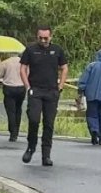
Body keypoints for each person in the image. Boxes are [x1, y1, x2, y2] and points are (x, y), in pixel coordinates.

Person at [20, 26, 68, 167]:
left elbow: (64, 67)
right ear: (37, 37)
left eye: (45, 38)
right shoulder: (30, 50)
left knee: (49, 124)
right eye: (40, 37)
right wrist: (27, 86)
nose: (43, 40)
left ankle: (46, 155)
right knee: (34, 119)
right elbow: (22, 68)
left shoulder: (57, 50)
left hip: (52, 91)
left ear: (50, 37)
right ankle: (31, 147)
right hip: (35, 90)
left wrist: (61, 85)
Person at [0, 52, 26, 142]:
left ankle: (12, 131)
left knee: (10, 111)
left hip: (9, 88)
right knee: (18, 109)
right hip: (21, 87)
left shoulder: (5, 62)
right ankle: (16, 130)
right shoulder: (24, 62)